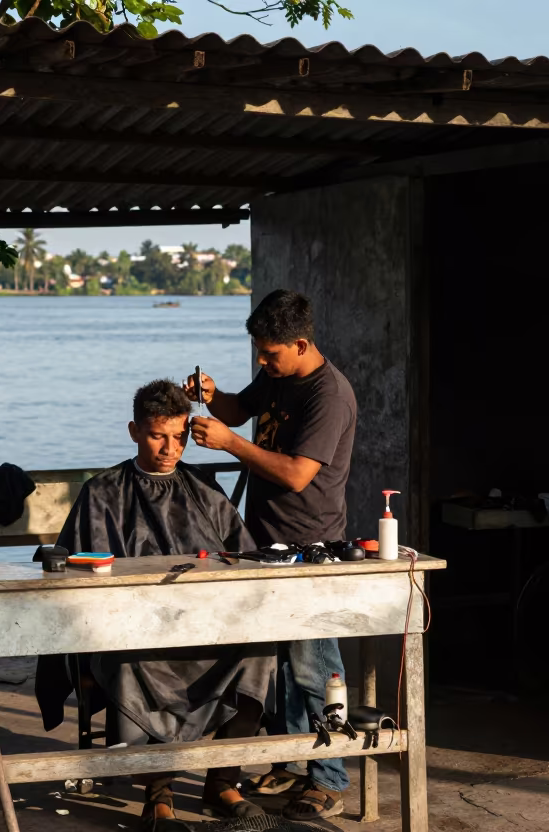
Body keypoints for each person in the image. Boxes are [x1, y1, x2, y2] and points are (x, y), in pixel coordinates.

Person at [33, 379, 275, 831]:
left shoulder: (205, 492)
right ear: (134, 432)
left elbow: (244, 561)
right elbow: (79, 576)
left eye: (179, 436)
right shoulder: (102, 493)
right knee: (131, 662)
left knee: (261, 653)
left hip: (207, 627)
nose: (170, 448)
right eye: (157, 435)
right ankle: (158, 791)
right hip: (133, 630)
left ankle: (223, 780)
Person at [185, 289, 358, 821]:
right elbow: (243, 407)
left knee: (313, 664)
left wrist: (230, 444)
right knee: (276, 665)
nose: (263, 362)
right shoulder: (280, 375)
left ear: (301, 343)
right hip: (265, 541)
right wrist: (214, 396)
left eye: (270, 354)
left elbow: (296, 473)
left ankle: (329, 777)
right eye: (258, 352)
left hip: (311, 546)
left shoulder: (328, 396)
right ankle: (289, 756)